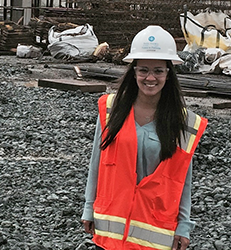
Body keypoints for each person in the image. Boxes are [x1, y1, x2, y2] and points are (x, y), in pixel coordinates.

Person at [81, 25, 208, 250]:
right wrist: (89, 208)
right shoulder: (111, 110)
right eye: (143, 70)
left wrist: (184, 225)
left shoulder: (183, 123)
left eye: (158, 70)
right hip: (111, 232)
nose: (150, 77)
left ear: (169, 74)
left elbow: (183, 180)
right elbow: (96, 165)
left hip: (154, 235)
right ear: (134, 72)